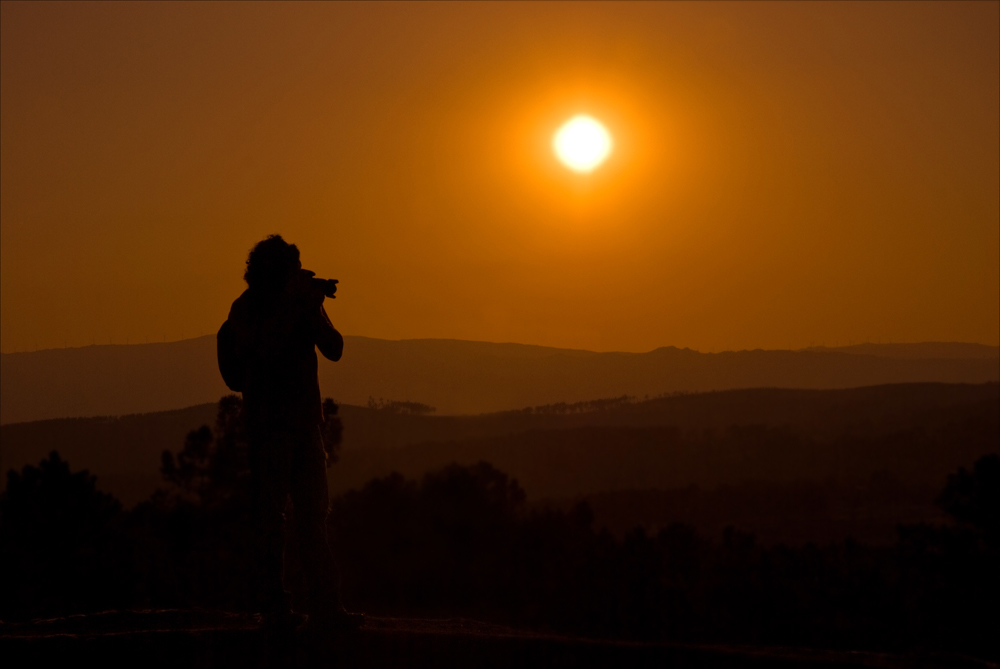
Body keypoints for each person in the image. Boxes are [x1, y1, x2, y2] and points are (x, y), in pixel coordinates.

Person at [217, 234, 361, 630]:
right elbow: (261, 355)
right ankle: (275, 606)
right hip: (269, 428)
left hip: (305, 426)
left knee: (314, 517)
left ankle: (325, 606)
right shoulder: (246, 310)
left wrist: (311, 310)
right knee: (271, 520)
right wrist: (291, 309)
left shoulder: (300, 304)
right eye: (290, 270)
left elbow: (334, 347)